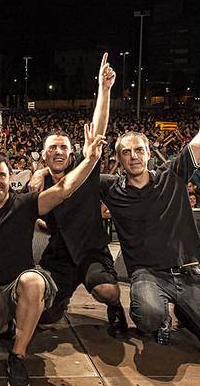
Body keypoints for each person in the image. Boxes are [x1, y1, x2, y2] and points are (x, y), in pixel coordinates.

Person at [100, 46, 200, 361]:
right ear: (118, 158)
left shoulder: (172, 175)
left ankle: (187, 314)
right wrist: (104, 92)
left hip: (189, 273)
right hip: (148, 275)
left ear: (149, 153)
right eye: (126, 152)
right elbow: (85, 160)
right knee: (148, 315)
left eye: (139, 150)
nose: (133, 156)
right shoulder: (111, 188)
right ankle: (162, 318)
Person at [0, 128, 106, 386]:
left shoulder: (24, 204)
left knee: (33, 281)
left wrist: (90, 159)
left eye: (2, 175)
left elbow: (64, 188)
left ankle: (18, 355)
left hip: (19, 288)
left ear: (10, 178)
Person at [27, 53, 128, 336]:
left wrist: (104, 90)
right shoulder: (37, 183)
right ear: (43, 155)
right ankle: (61, 299)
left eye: (63, 147)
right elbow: (28, 216)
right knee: (44, 317)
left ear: (73, 153)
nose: (58, 151)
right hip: (59, 256)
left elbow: (97, 131)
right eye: (52, 148)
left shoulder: (86, 170)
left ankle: (116, 308)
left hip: (90, 251)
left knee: (106, 290)